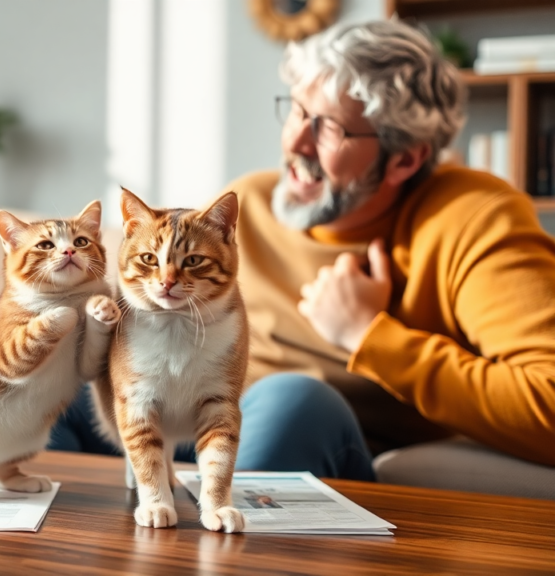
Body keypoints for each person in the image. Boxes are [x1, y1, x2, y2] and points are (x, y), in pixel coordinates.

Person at [48, 19, 555, 479]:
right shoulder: (250, 202)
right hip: (195, 414)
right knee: (52, 379)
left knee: (294, 398)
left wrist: (370, 336)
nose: (296, 142)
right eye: (297, 111)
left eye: (328, 128)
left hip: (313, 441)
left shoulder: (476, 217)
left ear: (404, 159)